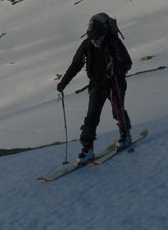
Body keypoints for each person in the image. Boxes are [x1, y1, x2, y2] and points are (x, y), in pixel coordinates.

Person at [57, 12, 133, 163]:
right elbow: (78, 63)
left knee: (117, 111)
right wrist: (63, 83)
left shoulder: (113, 43)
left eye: (98, 39)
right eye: (93, 39)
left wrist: (117, 67)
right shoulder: (87, 47)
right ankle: (87, 149)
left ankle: (125, 135)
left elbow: (127, 62)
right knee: (91, 116)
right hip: (97, 85)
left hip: (115, 84)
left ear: (104, 34)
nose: (95, 42)